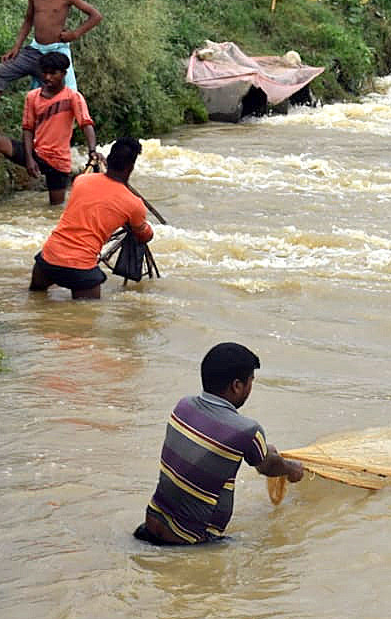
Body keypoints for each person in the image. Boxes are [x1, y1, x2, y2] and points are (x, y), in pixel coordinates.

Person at [135, 342, 306, 545]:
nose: (250, 388)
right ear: (237, 386)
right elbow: (267, 466)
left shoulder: (184, 406)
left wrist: (265, 450)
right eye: (251, 381)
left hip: (149, 526)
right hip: (190, 541)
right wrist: (292, 469)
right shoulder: (248, 430)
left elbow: (225, 445)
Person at [0, 0, 103, 132]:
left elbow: (96, 16)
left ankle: (57, 136)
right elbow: (28, 20)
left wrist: (74, 34)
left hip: (56, 54)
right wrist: (16, 47)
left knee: (67, 97)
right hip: (34, 51)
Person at [29, 136, 149, 299]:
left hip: (46, 261)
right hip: (81, 270)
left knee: (35, 299)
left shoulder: (81, 180)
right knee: (87, 317)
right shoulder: (134, 204)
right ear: (131, 167)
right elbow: (143, 236)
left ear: (107, 160)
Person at [0, 51, 99, 207]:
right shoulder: (32, 96)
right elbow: (27, 128)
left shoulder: (73, 97)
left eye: (53, 73)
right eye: (45, 73)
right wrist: (29, 158)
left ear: (63, 74)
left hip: (58, 162)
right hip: (36, 153)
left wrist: (92, 151)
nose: (47, 77)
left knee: (55, 208)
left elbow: (86, 124)